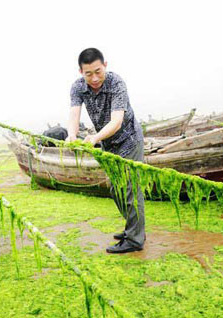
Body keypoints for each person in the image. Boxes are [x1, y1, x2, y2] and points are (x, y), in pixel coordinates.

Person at [67, 48, 145, 253]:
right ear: (80, 72)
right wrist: (72, 135)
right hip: (108, 144)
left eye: (98, 71)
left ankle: (135, 240)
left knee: (129, 189)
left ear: (105, 66)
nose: (94, 78)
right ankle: (133, 228)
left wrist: (94, 138)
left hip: (129, 140)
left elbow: (117, 121)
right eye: (88, 73)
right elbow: (74, 114)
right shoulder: (77, 87)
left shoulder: (116, 83)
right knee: (115, 189)